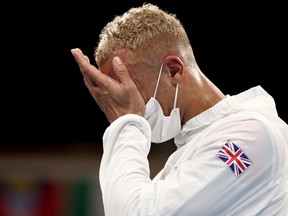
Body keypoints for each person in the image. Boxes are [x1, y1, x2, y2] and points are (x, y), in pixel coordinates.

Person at [71, 3, 288, 215]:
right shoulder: (192, 150)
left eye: (130, 89)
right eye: (120, 95)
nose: (126, 102)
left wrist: (126, 121)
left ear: (173, 70)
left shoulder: (250, 136)